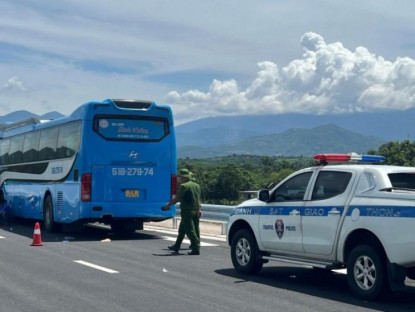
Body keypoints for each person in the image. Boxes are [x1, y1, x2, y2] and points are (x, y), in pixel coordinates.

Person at [162, 169, 202, 255]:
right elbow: (198, 199)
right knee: (184, 229)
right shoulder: (196, 185)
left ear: (183, 177)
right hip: (195, 210)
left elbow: (177, 198)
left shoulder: (184, 186)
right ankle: (176, 246)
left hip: (186, 211)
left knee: (190, 230)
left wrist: (168, 205)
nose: (180, 179)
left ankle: (195, 247)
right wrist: (199, 209)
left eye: (180, 177)